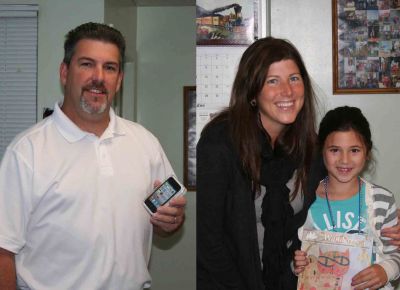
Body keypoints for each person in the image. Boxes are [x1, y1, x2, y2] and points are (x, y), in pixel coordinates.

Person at [0, 22, 186, 290]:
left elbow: (167, 220)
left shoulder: (145, 143)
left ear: (119, 79)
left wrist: (171, 221)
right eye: (87, 64)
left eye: (109, 68)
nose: (98, 77)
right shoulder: (27, 151)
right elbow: (4, 250)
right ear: (65, 73)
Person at [197, 37, 326, 290]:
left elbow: (339, 199)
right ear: (253, 91)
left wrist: (385, 225)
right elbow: (208, 239)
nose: (287, 92)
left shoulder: (311, 147)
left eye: (294, 78)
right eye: (272, 81)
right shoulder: (220, 142)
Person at [294, 106, 400, 290]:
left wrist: (386, 270)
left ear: (367, 152)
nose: (344, 160)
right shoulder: (304, 201)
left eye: (354, 150)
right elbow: (294, 255)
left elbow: (396, 254)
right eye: (335, 150)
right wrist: (297, 265)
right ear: (322, 151)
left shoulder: (382, 200)